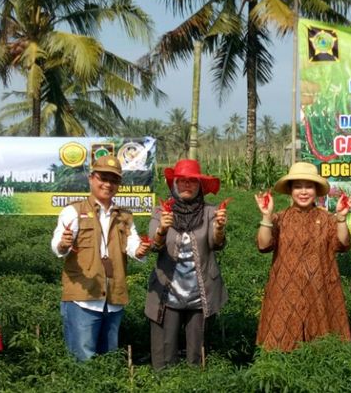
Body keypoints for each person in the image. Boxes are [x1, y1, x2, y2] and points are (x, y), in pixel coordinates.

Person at [51, 155, 150, 360]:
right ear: (91, 178)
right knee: (82, 359)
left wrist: (141, 250)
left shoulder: (124, 216)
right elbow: (58, 245)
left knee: (109, 358)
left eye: (114, 180)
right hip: (83, 299)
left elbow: (133, 245)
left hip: (113, 298)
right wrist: (64, 244)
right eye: (103, 178)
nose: (108, 184)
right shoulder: (73, 211)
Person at [255, 161, 351, 351]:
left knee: (323, 347)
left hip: (320, 290)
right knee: (281, 348)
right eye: (298, 187)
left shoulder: (326, 220)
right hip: (285, 291)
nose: (304, 191)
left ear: (316, 190)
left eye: (309, 186)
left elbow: (343, 244)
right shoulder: (280, 219)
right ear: (290, 190)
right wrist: (266, 216)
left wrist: (341, 218)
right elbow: (263, 245)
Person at [145, 159, 228, 369]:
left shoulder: (210, 212)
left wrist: (218, 228)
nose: (187, 185)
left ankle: (194, 382)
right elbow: (154, 246)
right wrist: (162, 230)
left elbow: (215, 243)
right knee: (165, 347)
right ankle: (165, 383)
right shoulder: (161, 212)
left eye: (193, 181)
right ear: (174, 185)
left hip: (200, 291)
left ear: (200, 186)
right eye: (182, 181)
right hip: (168, 290)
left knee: (197, 350)